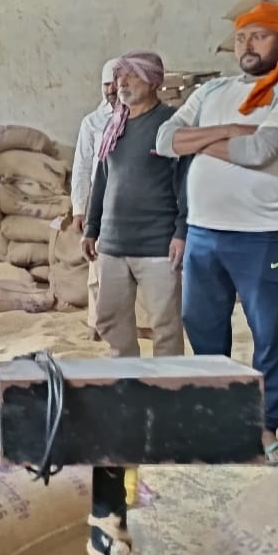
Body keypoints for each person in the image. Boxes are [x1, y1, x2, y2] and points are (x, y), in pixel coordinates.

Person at [155, 1, 278, 466]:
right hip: (203, 233)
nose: (247, 46)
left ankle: (264, 424)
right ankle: (219, 418)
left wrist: (199, 142)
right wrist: (232, 130)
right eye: (241, 37)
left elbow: (259, 152)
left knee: (269, 335)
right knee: (203, 329)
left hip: (262, 235)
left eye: (260, 36)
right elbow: (164, 141)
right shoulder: (213, 90)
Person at [81, 51, 187, 358]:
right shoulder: (115, 124)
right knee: (110, 320)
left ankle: (167, 382)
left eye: (131, 76)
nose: (122, 83)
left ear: (153, 81)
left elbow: (185, 182)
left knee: (165, 325)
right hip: (113, 242)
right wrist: (92, 228)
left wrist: (181, 232)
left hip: (157, 244)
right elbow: (102, 179)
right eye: (119, 77)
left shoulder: (170, 124)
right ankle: (127, 378)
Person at [70, 58, 120, 336]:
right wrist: (79, 208)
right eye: (106, 84)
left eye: (116, 83)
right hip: (101, 202)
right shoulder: (92, 122)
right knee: (97, 265)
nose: (111, 89)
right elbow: (82, 166)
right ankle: (96, 323)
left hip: (133, 201)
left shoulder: (140, 120)